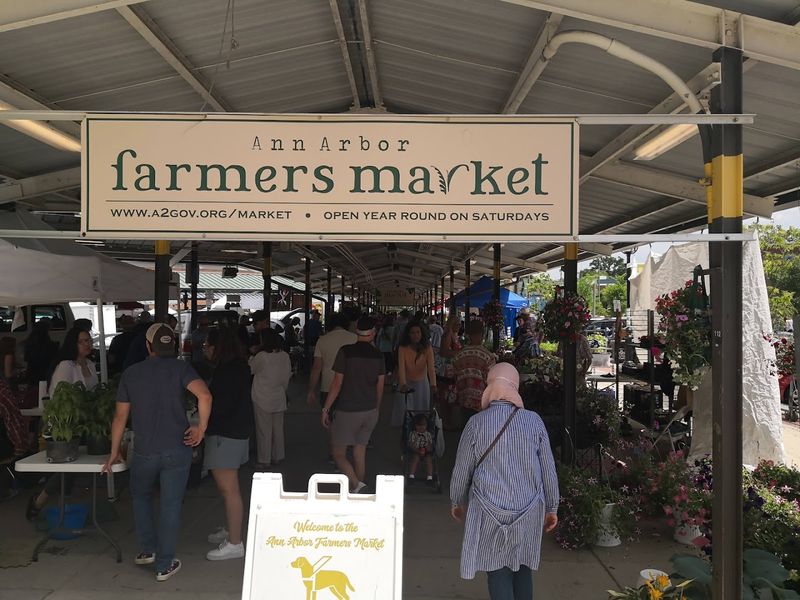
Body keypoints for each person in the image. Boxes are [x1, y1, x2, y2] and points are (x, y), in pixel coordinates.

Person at [103, 323, 212, 582]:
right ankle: (164, 565)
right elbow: (205, 396)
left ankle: (146, 550)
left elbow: (120, 418)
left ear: (148, 346)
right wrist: (200, 429)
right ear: (172, 345)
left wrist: (114, 452)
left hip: (145, 451)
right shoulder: (181, 368)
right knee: (170, 505)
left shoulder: (132, 373)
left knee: (140, 497)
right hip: (178, 448)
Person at [450, 362, 559, 600]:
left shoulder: (476, 423)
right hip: (528, 509)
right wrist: (552, 507)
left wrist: (457, 501)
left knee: (497, 568)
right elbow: (548, 469)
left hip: (489, 510)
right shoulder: (534, 421)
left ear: (490, 386)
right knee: (522, 566)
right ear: (515, 387)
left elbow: (462, 470)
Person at [202, 327, 251, 561]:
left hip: (225, 434)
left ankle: (235, 542)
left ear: (216, 347)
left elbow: (220, 405)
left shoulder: (226, 372)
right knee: (227, 488)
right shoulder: (240, 367)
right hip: (237, 432)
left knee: (229, 489)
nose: (204, 349)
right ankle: (231, 530)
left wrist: (201, 423)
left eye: (206, 345)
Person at [321, 316, 385, 493]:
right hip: (370, 410)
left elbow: (337, 383)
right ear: (373, 333)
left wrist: (326, 408)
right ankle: (357, 492)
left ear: (356, 330)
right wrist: (377, 408)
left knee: (338, 453)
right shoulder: (378, 355)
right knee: (360, 452)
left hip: (348, 409)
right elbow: (380, 386)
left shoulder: (346, 352)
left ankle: (356, 485)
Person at [250, 328, 292, 468]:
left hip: (262, 395)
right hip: (279, 394)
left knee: (264, 430)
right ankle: (277, 456)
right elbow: (287, 376)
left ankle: (264, 459)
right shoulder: (284, 355)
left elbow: (252, 369)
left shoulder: (261, 356)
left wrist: (251, 355)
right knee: (278, 429)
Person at [306, 312, 356, 414]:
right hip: (351, 386)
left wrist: (311, 390)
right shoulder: (355, 338)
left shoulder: (322, 340)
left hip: (328, 387)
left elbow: (316, 368)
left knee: (329, 420)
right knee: (349, 422)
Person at [394, 321, 437, 426]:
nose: (415, 335)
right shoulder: (402, 348)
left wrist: (433, 384)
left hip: (422, 382)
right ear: (408, 334)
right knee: (408, 412)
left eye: (418, 332)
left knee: (423, 411)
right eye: (412, 332)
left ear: (422, 334)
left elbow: (431, 368)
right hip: (407, 382)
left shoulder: (427, 347)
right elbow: (402, 367)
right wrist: (403, 384)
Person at [454, 320, 496, 422]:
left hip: (464, 398)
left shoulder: (459, 355)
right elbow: (491, 380)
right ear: (482, 334)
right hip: (481, 402)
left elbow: (454, 376)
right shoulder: (488, 356)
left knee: (466, 430)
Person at [437, 315, 462, 430]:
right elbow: (443, 352)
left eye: (459, 323)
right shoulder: (448, 335)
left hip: (452, 370)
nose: (459, 325)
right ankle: (445, 422)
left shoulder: (454, 335)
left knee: (450, 397)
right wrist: (459, 353)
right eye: (456, 323)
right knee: (445, 397)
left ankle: (448, 421)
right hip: (447, 371)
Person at [23, 319, 59, 386]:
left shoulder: (29, 343)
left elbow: (26, 359)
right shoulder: (51, 345)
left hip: (32, 374)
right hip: (46, 373)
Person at [407, 413, 434, 485]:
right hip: (416, 450)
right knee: (415, 458)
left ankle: (429, 477)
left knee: (429, 459)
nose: (421, 427)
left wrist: (428, 447)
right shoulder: (413, 434)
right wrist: (416, 447)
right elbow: (411, 444)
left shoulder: (428, 434)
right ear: (415, 426)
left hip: (426, 450)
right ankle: (411, 476)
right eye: (419, 425)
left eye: (423, 425)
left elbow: (430, 445)